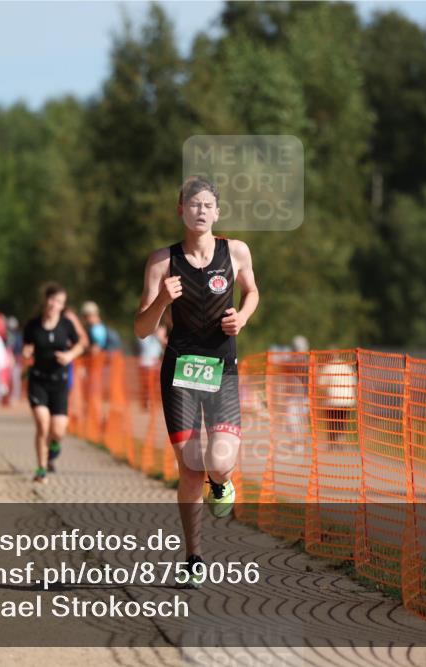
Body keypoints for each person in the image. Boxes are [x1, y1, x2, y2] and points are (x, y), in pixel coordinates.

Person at [133, 176, 259, 587]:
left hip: (222, 369)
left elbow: (253, 292)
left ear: (217, 212)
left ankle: (222, 483)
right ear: (180, 210)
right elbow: (140, 329)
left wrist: (242, 316)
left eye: (207, 205)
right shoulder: (161, 261)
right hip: (180, 372)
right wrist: (162, 301)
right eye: (192, 204)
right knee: (190, 468)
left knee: (219, 463)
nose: (200, 211)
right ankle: (194, 556)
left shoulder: (235, 251)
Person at [23, 283, 87, 482]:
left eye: (59, 301)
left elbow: (81, 345)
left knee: (58, 431)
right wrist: (27, 351)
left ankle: (54, 447)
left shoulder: (66, 325)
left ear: (63, 306)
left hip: (59, 382)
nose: (54, 304)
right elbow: (26, 346)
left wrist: (70, 355)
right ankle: (41, 469)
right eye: (52, 299)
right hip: (38, 381)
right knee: (43, 425)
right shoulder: (32, 325)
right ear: (46, 300)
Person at [137, 323, 167, 410]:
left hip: (154, 364)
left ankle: (150, 402)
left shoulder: (157, 339)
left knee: (153, 385)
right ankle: (148, 402)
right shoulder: (146, 337)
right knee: (147, 385)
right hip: (146, 364)